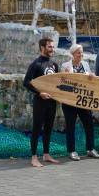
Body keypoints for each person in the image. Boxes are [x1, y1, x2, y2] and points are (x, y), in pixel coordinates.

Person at [61, 44, 99, 161]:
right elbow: (60, 83)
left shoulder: (85, 65)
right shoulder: (65, 66)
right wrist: (65, 75)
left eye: (82, 52)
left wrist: (92, 76)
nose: (81, 55)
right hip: (69, 102)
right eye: (79, 52)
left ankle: (90, 149)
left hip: (83, 101)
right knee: (70, 126)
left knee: (89, 124)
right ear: (73, 54)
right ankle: (72, 151)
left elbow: (89, 81)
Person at [23, 38, 60, 168]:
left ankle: (46, 154)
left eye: (53, 47)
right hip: (40, 101)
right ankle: (34, 157)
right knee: (37, 129)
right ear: (42, 48)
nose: (52, 49)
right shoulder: (36, 64)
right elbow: (26, 82)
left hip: (52, 102)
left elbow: (58, 83)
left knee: (49, 128)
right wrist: (39, 93)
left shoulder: (54, 64)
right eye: (50, 47)